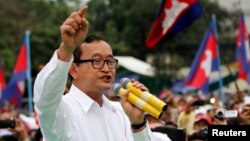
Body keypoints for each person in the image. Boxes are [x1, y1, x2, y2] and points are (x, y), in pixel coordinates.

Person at [33, 5, 169, 141]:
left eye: (110, 61)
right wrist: (66, 48)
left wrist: (138, 124)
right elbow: (44, 98)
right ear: (73, 70)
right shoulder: (62, 111)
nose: (107, 68)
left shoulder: (122, 111)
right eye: (97, 61)